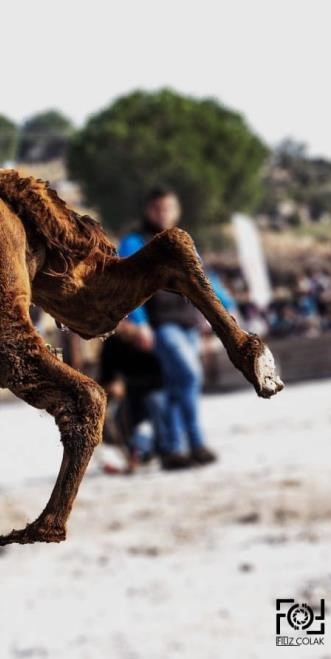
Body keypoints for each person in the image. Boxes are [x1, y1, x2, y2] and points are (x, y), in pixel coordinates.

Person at [118, 187, 235, 469]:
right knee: (189, 375)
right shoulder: (134, 242)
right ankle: (190, 443)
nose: (164, 213)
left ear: (177, 210)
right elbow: (128, 286)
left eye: (169, 208)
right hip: (160, 325)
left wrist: (224, 307)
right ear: (149, 210)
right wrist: (140, 324)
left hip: (187, 323)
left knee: (177, 385)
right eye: (158, 208)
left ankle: (177, 449)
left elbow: (204, 278)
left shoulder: (182, 242)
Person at [98, 329, 171, 470]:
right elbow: (105, 375)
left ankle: (164, 448)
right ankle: (131, 453)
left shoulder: (149, 340)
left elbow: (159, 380)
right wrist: (110, 386)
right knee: (114, 414)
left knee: (156, 403)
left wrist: (126, 385)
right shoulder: (113, 343)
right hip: (130, 395)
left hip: (153, 391)